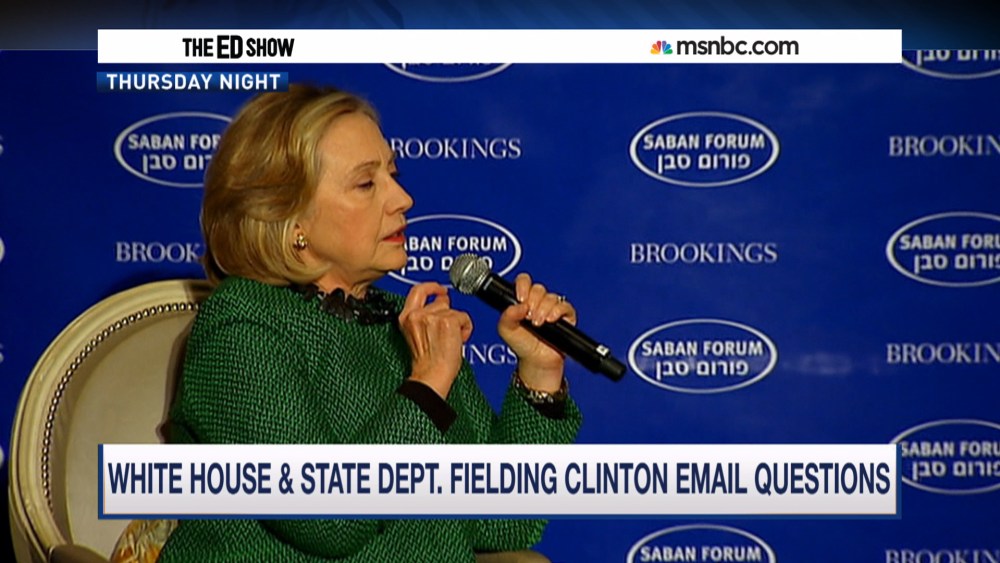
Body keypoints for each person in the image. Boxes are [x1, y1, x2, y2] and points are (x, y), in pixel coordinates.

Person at [157, 84, 583, 562]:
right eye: (366, 184)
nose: (403, 198)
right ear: (290, 219)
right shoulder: (241, 330)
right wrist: (427, 384)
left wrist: (539, 372)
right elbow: (328, 520)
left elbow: (503, 522)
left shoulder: (404, 320)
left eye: (393, 174)